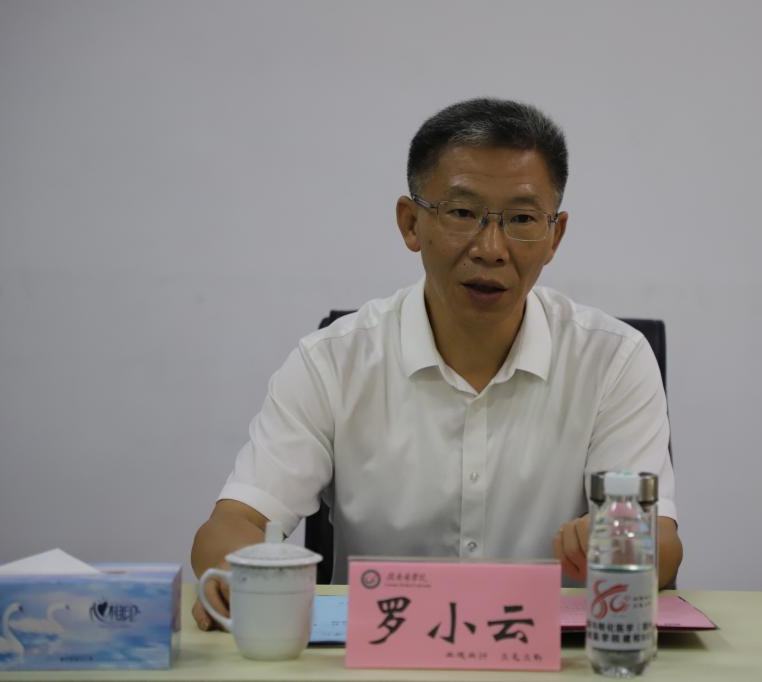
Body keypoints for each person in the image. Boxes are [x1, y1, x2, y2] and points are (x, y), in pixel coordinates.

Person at [190, 98, 683, 631]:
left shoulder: (612, 360)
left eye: (521, 219)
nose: (491, 248)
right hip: (380, 656)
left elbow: (663, 545)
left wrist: (624, 542)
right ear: (411, 223)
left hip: (555, 657)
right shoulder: (333, 362)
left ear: (554, 237)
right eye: (462, 213)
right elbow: (236, 520)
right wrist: (237, 573)